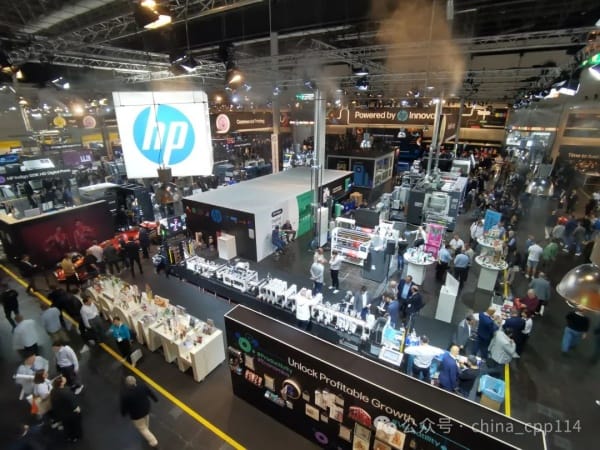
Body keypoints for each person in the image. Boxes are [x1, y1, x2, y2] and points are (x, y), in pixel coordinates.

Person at [120, 375, 159, 448]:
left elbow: (124, 407)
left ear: (127, 384)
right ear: (135, 381)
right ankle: (147, 430)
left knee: (142, 428)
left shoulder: (125, 395)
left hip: (137, 415)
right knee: (146, 422)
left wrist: (123, 413)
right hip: (146, 409)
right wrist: (155, 399)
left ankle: (153, 441)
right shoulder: (142, 386)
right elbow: (150, 393)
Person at [50, 375, 82, 442]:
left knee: (67, 426)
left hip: (61, 413)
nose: (64, 378)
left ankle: (69, 436)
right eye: (63, 379)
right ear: (61, 383)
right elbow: (73, 403)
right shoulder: (66, 392)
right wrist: (77, 409)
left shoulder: (53, 391)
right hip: (70, 413)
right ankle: (76, 437)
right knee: (75, 425)